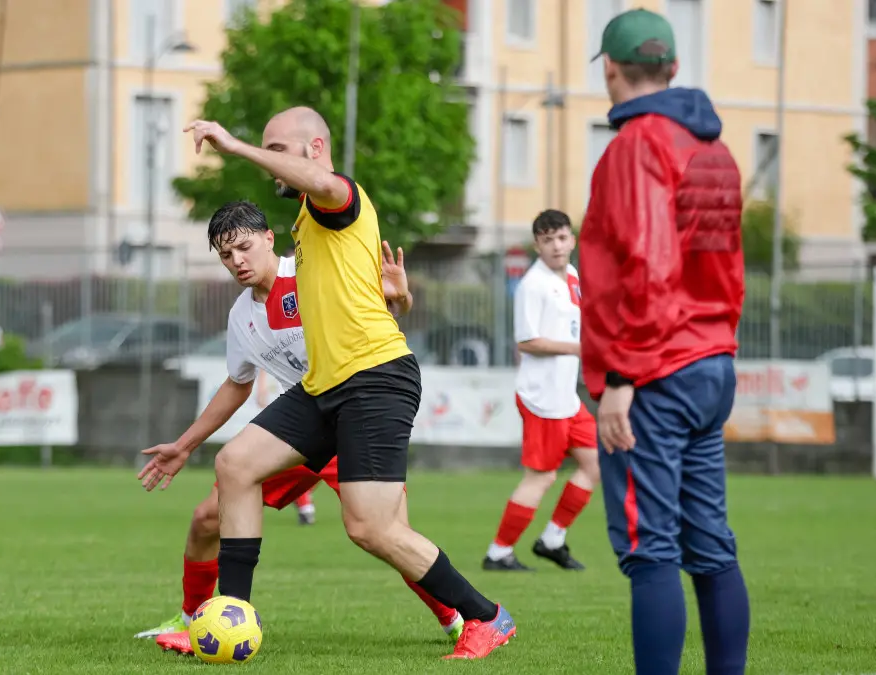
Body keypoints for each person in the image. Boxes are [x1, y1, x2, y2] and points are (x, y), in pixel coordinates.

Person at [143, 107, 515, 661]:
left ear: (316, 149)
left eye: (280, 149)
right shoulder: (304, 229)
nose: (273, 161)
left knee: (371, 528)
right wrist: (395, 297)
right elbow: (352, 299)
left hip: (374, 380)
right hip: (324, 387)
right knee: (234, 466)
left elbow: (322, 185)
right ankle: (232, 618)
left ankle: (486, 617)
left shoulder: (337, 196)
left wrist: (236, 145)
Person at [135, 201, 464, 652]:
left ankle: (456, 619)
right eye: (226, 256)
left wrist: (401, 299)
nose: (238, 262)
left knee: (386, 535)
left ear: (270, 238)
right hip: (302, 430)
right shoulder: (241, 316)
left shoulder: (314, 274)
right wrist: (186, 444)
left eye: (245, 248)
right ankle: (199, 619)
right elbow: (237, 385)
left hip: (356, 419)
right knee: (206, 518)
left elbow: (381, 322)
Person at [580, 9, 747, 675]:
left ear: (611, 68)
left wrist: (621, 375)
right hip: (710, 361)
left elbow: (648, 266)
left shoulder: (637, 144)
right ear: (673, 67)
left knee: (651, 550)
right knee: (709, 544)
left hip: (653, 370)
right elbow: (726, 265)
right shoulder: (714, 148)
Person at [483, 209, 599, 572]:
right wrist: (580, 348)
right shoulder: (533, 284)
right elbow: (528, 341)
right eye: (547, 240)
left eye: (561, 237)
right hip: (543, 399)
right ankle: (498, 553)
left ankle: (552, 539)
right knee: (542, 477)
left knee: (598, 463)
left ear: (572, 239)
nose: (556, 245)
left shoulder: (573, 275)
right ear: (537, 244)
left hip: (566, 398)